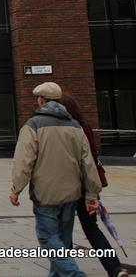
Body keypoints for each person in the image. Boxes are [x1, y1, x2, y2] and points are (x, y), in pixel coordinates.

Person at [10, 82, 102, 277]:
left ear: (41, 100)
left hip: (46, 193)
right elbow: (88, 162)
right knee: (62, 239)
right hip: (72, 194)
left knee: (47, 238)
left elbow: (24, 161)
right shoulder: (75, 126)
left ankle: (75, 274)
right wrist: (92, 193)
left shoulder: (33, 125)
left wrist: (16, 188)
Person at [59, 97, 127, 277]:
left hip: (67, 185)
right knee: (91, 228)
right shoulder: (85, 127)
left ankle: (67, 270)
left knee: (64, 229)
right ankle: (115, 268)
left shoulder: (63, 130)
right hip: (87, 185)